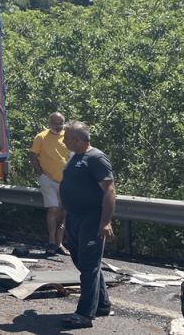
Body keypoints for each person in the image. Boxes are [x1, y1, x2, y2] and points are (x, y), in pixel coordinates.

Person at [59, 121, 116, 329]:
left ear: (77, 139)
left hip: (92, 218)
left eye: (66, 137)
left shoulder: (96, 158)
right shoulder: (75, 157)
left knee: (89, 267)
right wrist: (64, 216)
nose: (63, 140)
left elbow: (109, 191)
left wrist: (106, 221)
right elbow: (70, 188)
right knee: (84, 262)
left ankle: (84, 314)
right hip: (74, 217)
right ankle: (102, 304)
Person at [29, 112, 69, 256]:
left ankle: (59, 243)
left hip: (66, 181)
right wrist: (41, 174)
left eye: (61, 123)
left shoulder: (68, 136)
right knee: (53, 209)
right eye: (55, 123)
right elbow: (33, 156)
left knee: (63, 212)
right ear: (49, 123)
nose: (58, 126)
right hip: (49, 180)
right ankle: (51, 241)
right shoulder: (41, 137)